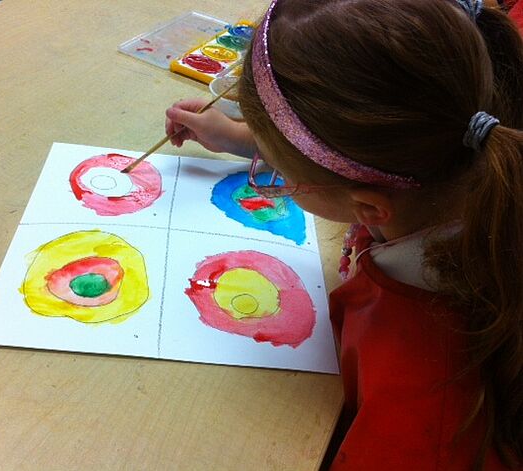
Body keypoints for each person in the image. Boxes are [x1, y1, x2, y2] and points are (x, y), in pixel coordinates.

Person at [165, 0, 523, 469]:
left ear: (369, 206)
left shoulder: (423, 408)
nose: (277, 178)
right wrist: (239, 138)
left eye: (281, 174)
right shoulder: (453, 166)